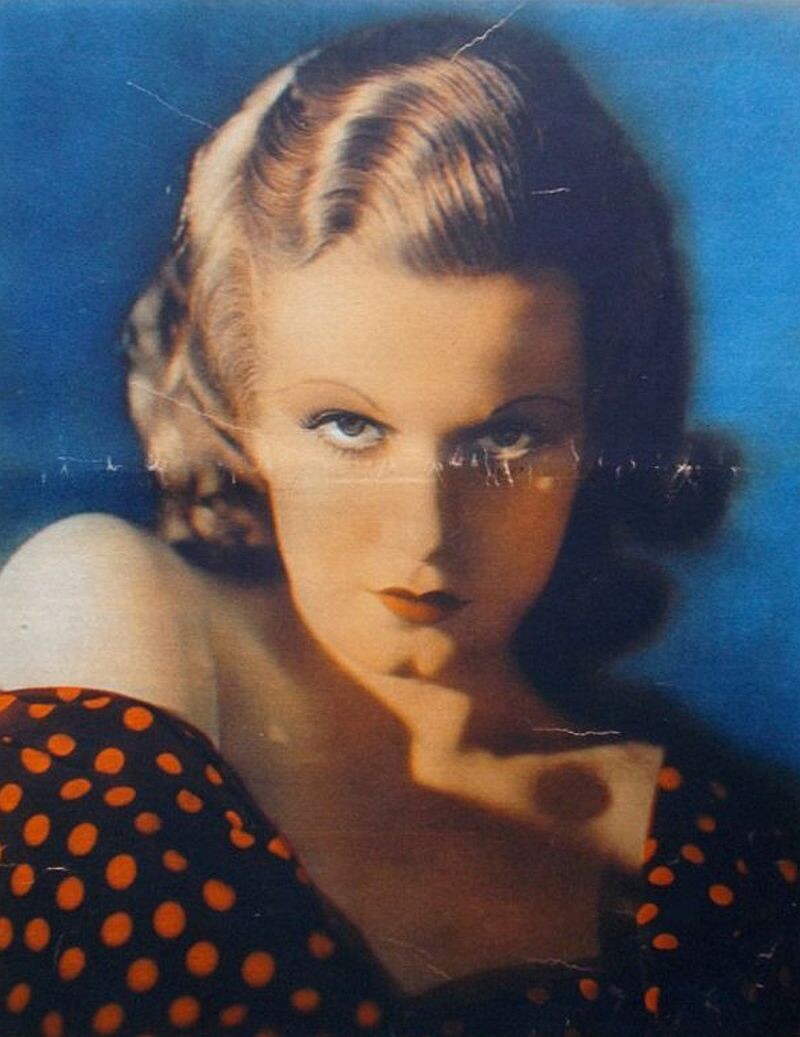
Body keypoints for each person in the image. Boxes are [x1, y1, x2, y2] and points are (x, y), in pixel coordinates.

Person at [0, 14, 797, 1037]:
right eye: (347, 424)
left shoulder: (711, 858)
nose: (424, 529)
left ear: (599, 430)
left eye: (508, 435)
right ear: (238, 413)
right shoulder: (109, 608)